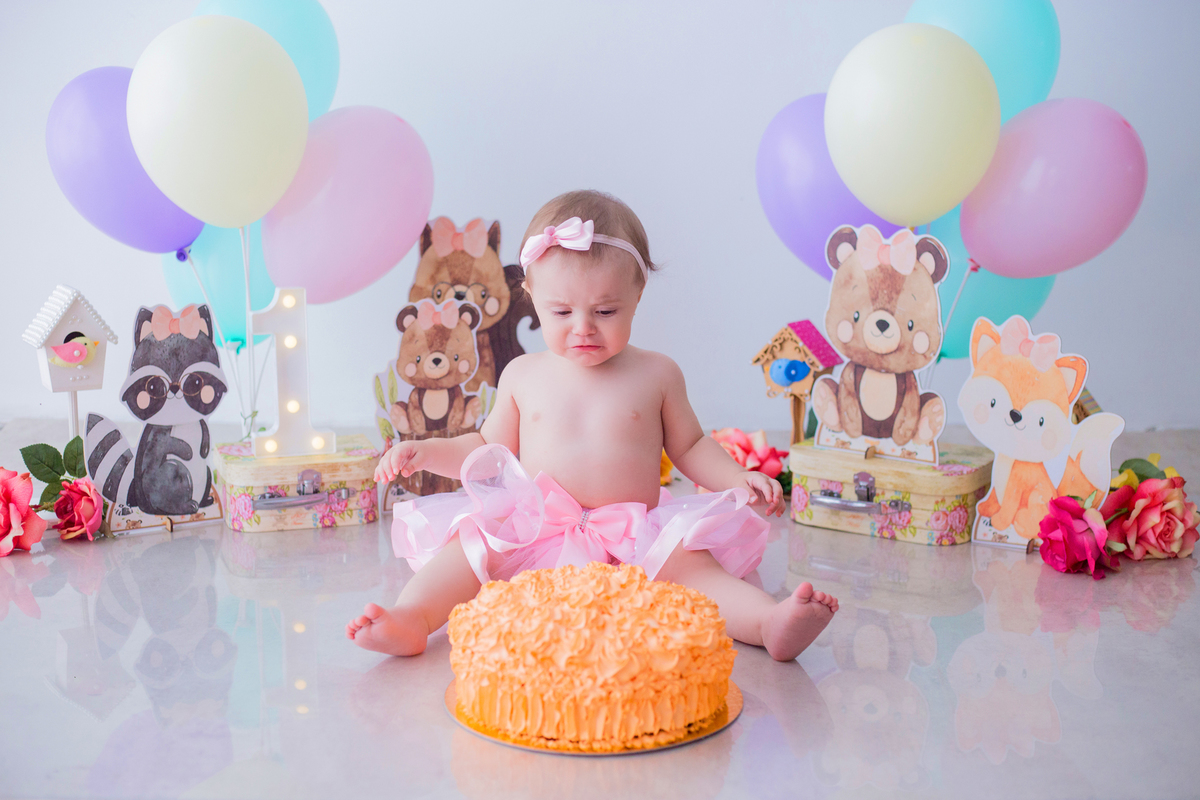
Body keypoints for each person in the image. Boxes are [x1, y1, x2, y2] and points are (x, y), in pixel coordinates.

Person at [347, 190, 838, 661]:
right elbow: (485, 445)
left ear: (637, 293)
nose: (583, 327)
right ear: (531, 295)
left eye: (605, 311)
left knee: (694, 570)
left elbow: (690, 444)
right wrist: (426, 450)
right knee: (469, 549)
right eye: (561, 312)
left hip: (632, 531)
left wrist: (736, 477)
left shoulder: (657, 373)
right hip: (537, 528)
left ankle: (768, 624)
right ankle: (412, 618)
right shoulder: (523, 374)